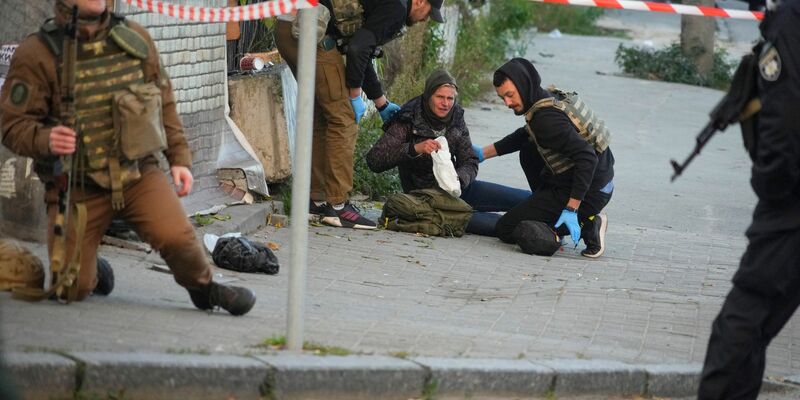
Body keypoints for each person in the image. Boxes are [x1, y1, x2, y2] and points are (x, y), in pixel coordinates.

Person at [0, 0, 256, 315]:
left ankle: (206, 289)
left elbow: (164, 102)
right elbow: (12, 126)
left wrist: (179, 159)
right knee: (70, 289)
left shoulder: (133, 38)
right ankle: (92, 270)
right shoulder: (37, 52)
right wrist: (45, 138)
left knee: (178, 239)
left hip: (137, 175)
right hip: (76, 185)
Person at [697, 0, 800, 397]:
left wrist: (769, 187)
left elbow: (785, 121)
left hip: (790, 205)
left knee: (739, 327)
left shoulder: (791, 19)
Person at [274, 0, 444, 230]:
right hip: (310, 33)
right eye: (428, 13)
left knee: (324, 116)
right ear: (420, 1)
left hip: (289, 28)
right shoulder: (396, 8)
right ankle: (337, 205)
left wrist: (381, 103)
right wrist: (354, 95)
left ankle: (315, 200)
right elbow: (358, 49)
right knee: (343, 120)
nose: (425, 19)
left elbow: (361, 50)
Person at [473, 58, 615, 257]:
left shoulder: (546, 120)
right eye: (502, 97)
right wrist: (482, 153)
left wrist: (572, 209)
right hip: (600, 179)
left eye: (510, 95)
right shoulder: (546, 99)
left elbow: (587, 158)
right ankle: (549, 211)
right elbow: (525, 135)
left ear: (523, 85)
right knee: (528, 150)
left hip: (590, 191)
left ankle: (587, 224)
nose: (507, 103)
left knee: (506, 228)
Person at [365, 70, 531, 236]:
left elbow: (470, 161)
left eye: (450, 98)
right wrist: (415, 148)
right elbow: (375, 160)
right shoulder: (408, 118)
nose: (445, 103)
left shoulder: (456, 116)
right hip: (429, 200)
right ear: (429, 95)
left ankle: (553, 217)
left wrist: (458, 179)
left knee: (528, 199)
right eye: (440, 97)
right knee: (505, 226)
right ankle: (544, 233)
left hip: (458, 189)